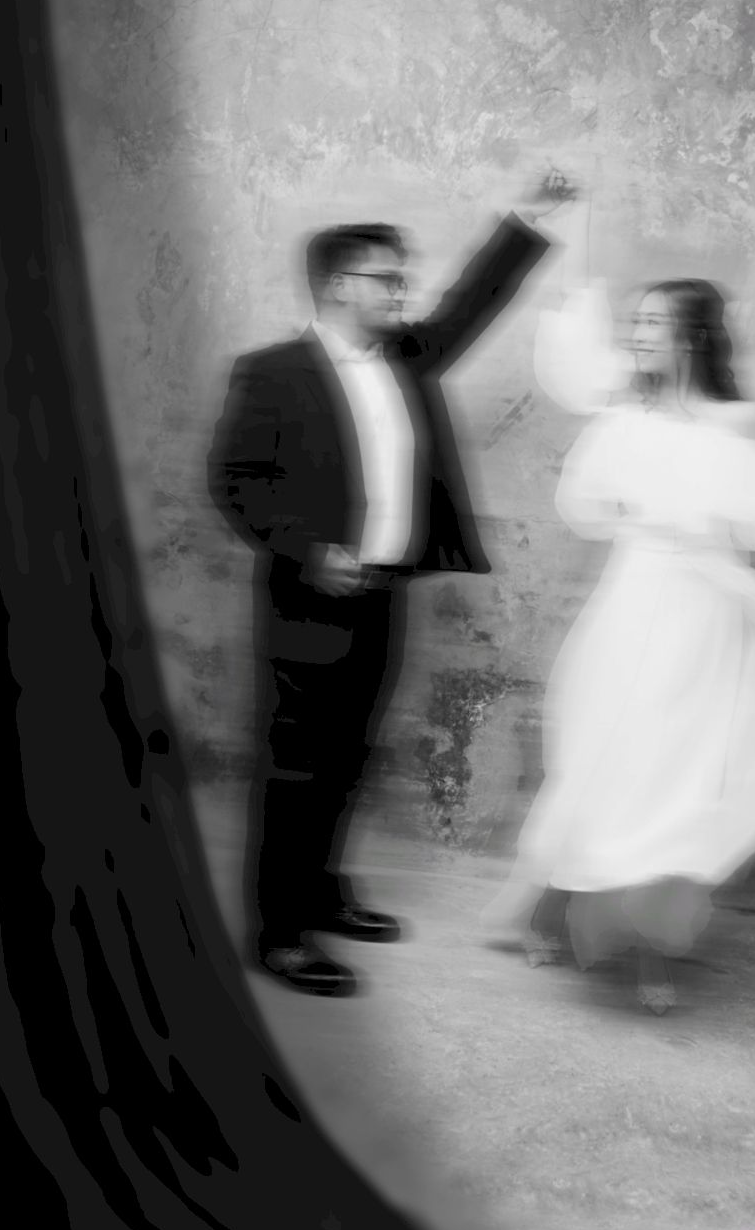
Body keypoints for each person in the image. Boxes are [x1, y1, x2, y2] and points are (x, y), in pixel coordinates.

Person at [483, 222, 755, 1013]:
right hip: (627, 609)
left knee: (680, 776)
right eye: (635, 322)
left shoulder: (735, 424)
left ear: (691, 336)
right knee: (599, 760)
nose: (637, 334)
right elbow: (586, 506)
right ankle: (554, 907)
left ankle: (653, 952)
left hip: (704, 619)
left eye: (653, 323)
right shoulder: (622, 416)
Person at [207, 206, 553, 995]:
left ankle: (321, 891)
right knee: (298, 769)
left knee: (350, 755)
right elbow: (235, 480)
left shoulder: (407, 357)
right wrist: (307, 550)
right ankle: (281, 935)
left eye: (404, 279)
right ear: (338, 285)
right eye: (387, 279)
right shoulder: (270, 372)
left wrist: (529, 219)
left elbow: (472, 303)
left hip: (383, 595)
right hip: (307, 600)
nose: (402, 291)